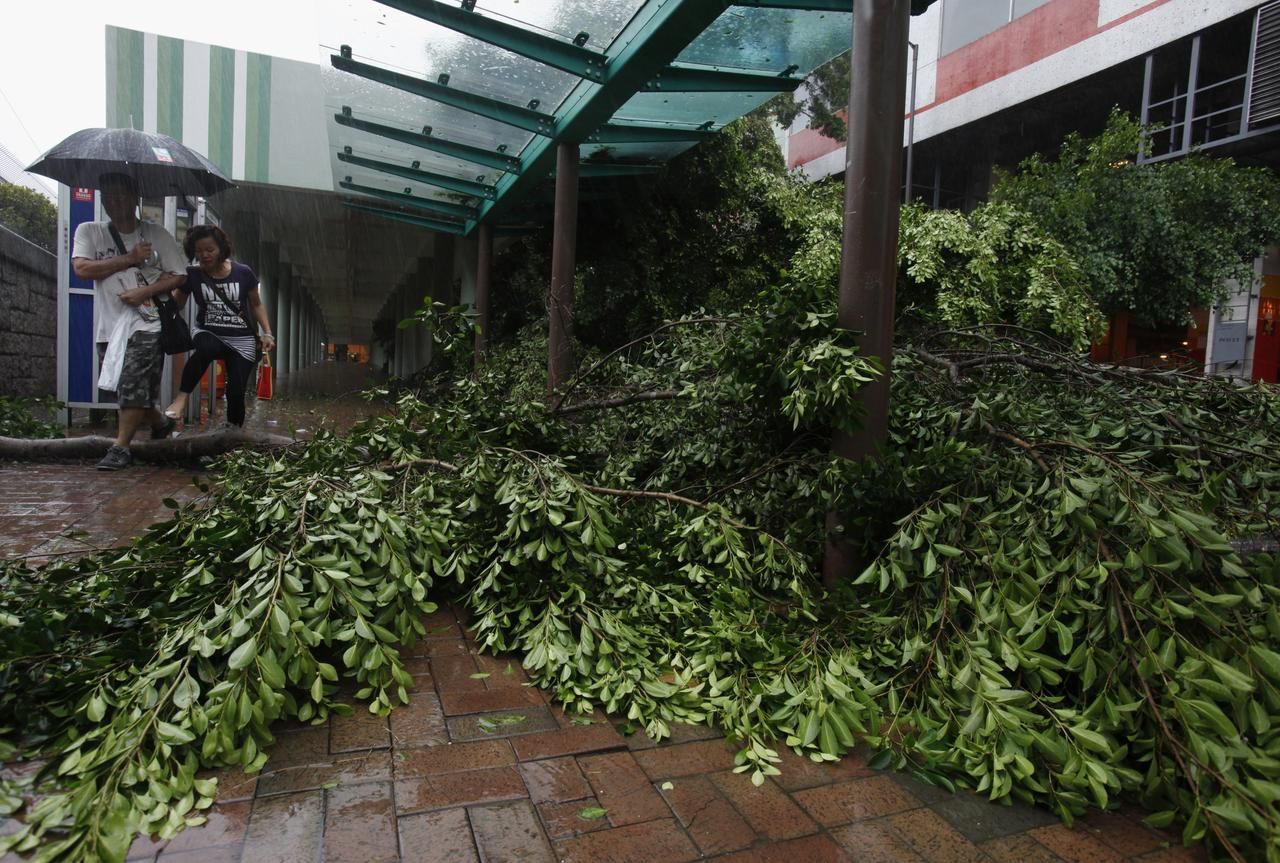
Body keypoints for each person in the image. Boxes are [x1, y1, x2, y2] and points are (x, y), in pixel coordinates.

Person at [71, 173, 188, 471]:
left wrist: (145, 291)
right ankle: (161, 422)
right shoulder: (89, 231)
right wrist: (130, 258)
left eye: (122, 195)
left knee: (133, 384)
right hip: (110, 326)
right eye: (109, 196)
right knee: (126, 390)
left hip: (148, 323)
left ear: (134, 199)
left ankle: (120, 447)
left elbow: (180, 275)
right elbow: (82, 269)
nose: (115, 201)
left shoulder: (156, 234)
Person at [164, 225, 276, 427]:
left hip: (242, 338)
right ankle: (181, 398)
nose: (204, 255)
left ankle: (232, 433)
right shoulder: (192, 275)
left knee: (235, 391)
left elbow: (257, 304)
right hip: (208, 330)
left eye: (210, 250)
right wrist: (166, 286)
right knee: (206, 347)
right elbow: (177, 303)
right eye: (199, 251)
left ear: (221, 249)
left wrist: (267, 333)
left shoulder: (243, 273)